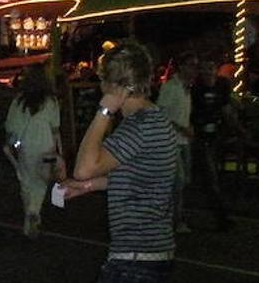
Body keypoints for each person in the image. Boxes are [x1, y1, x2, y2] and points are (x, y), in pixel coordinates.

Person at [61, 41, 177, 283]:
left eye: (103, 80)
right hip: (151, 254)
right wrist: (88, 187)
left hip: (135, 259)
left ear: (113, 85)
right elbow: (140, 178)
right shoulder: (156, 119)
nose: (100, 85)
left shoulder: (139, 126)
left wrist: (104, 111)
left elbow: (83, 169)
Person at [4, 64, 61, 238]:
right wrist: (61, 152)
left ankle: (29, 212)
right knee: (41, 182)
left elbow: (10, 127)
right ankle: (35, 211)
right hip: (47, 146)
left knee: (26, 180)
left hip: (26, 146)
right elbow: (55, 129)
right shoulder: (51, 101)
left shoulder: (19, 101)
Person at [191, 58, 236, 231]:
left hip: (217, 135)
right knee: (210, 177)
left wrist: (236, 129)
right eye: (204, 69)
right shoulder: (196, 89)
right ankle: (221, 216)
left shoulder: (221, 86)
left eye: (210, 68)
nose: (207, 72)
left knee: (215, 175)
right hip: (201, 136)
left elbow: (226, 108)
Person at [157, 51, 198, 234]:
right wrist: (181, 127)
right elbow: (162, 113)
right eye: (191, 65)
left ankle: (174, 216)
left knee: (183, 181)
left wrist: (187, 126)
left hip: (183, 140)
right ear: (181, 67)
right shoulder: (170, 88)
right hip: (171, 140)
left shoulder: (186, 88)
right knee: (178, 180)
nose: (194, 70)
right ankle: (175, 219)